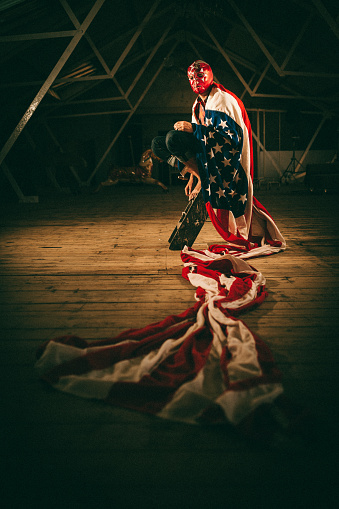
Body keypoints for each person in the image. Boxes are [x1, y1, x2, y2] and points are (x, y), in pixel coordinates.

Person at [152, 60, 286, 256]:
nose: (195, 81)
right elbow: (194, 150)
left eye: (199, 75)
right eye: (191, 77)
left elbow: (231, 141)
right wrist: (192, 175)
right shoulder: (197, 103)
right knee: (157, 143)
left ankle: (202, 177)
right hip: (205, 156)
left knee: (173, 138)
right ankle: (198, 175)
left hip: (224, 160)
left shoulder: (223, 100)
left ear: (210, 75)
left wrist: (194, 129)